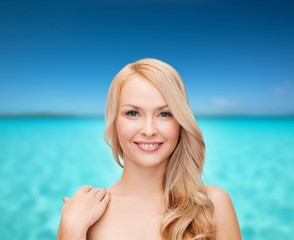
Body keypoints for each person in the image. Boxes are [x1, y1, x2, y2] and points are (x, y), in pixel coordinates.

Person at [57, 58, 242, 240]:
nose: (148, 130)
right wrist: (71, 230)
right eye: (133, 113)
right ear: (114, 122)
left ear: (180, 122)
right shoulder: (84, 216)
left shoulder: (214, 204)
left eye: (164, 114)